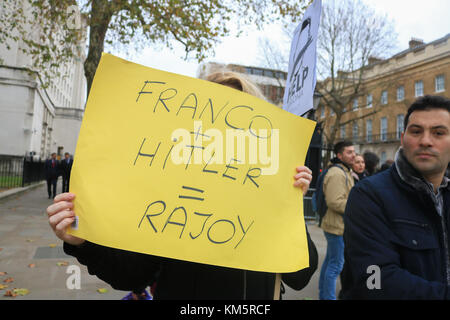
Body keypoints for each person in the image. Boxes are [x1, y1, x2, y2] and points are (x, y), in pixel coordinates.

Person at [46, 71, 318, 300]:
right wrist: (83, 243)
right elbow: (131, 274)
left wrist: (288, 206)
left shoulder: (268, 196)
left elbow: (300, 276)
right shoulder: (170, 193)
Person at [342, 95, 450, 299]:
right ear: (403, 139)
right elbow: (374, 281)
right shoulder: (369, 195)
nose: (426, 141)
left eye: (438, 133)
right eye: (416, 131)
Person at [318, 140, 355, 300]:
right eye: (349, 152)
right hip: (336, 227)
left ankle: (324, 295)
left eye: (354, 152)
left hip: (337, 225)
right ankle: (328, 297)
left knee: (330, 263)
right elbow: (334, 202)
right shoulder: (337, 173)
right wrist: (359, 207)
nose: (353, 155)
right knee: (335, 266)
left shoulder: (344, 171)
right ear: (339, 155)